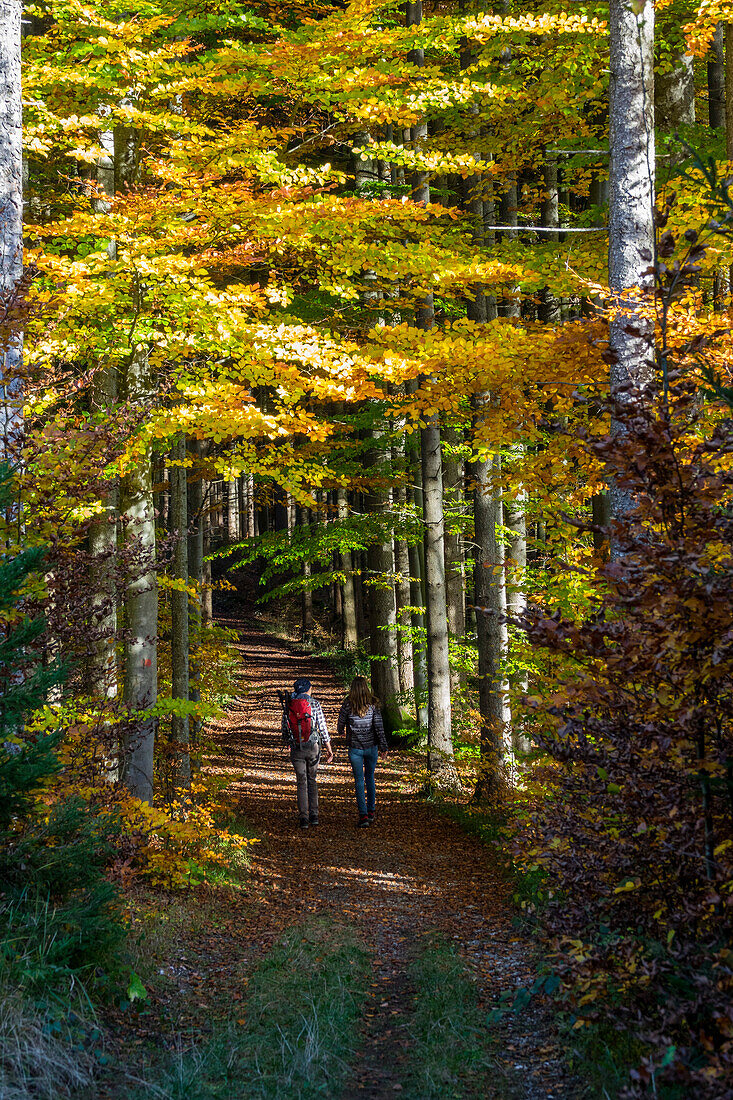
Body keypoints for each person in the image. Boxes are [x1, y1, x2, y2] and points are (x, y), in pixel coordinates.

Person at [281, 677, 333, 829]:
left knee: (301, 782)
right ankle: (314, 815)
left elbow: (285, 729)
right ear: (309, 689)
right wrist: (329, 748)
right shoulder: (314, 704)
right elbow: (322, 727)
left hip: (297, 747)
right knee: (312, 779)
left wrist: (289, 741)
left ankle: (303, 818)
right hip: (313, 746)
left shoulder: (289, 705)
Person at [337, 676, 388, 827]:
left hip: (355, 749)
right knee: (370, 778)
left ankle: (363, 815)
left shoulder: (348, 703)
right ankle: (371, 811)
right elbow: (379, 727)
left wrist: (340, 730)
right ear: (366, 687)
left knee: (359, 781)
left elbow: (340, 722)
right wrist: (384, 746)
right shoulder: (373, 704)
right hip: (371, 747)